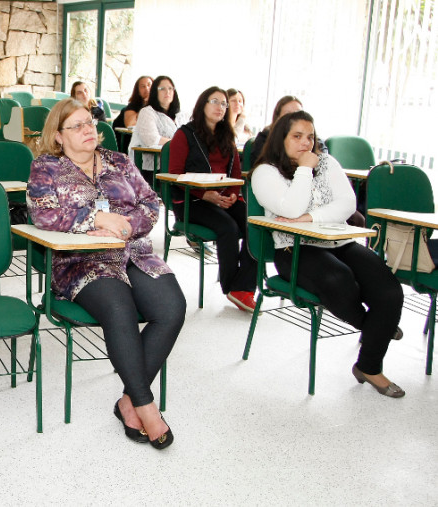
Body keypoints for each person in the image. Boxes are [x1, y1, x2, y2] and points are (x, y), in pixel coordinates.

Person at [27, 99, 185, 449]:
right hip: (82, 261)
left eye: (90, 123)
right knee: (120, 308)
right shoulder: (46, 168)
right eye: (78, 125)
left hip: (134, 253)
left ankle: (127, 399)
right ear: (58, 135)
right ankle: (145, 407)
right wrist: (97, 220)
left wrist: (127, 226)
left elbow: (151, 203)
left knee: (171, 308)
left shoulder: (120, 162)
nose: (88, 130)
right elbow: (44, 216)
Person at [251, 110, 405, 397]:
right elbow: (291, 209)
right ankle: (376, 329)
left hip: (337, 241)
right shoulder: (265, 172)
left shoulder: (328, 162)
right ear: (280, 139)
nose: (306, 143)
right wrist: (305, 169)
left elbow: (348, 204)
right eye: (297, 136)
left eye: (310, 137)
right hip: (293, 249)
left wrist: (310, 217)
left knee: (389, 290)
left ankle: (368, 366)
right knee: (338, 279)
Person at [169, 86, 258, 312]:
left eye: (224, 104)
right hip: (192, 201)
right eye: (215, 102)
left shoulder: (227, 136)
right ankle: (231, 287)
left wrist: (232, 195)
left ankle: (244, 287)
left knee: (255, 224)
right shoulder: (184, 134)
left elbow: (236, 175)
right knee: (227, 227)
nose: (221, 107)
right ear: (202, 104)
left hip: (223, 199)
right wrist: (204, 194)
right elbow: (175, 175)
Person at [130, 75, 180, 182]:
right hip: (153, 170)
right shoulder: (147, 112)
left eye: (170, 88)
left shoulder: (180, 116)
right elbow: (151, 139)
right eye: (162, 89)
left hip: (176, 166)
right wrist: (179, 143)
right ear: (154, 92)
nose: (167, 92)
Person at [250, 95, 303, 167]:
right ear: (278, 118)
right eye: (288, 114)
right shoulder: (264, 138)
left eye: (298, 114)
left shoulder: (309, 139)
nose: (294, 118)